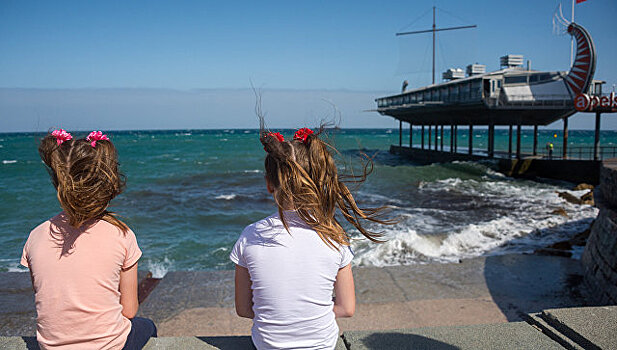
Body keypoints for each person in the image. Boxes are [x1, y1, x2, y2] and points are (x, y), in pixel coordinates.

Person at [230, 123, 391, 349]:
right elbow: (347, 309)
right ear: (318, 181)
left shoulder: (250, 235)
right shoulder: (334, 236)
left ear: (269, 184)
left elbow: (244, 309)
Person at [21, 129, 156, 350]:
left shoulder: (35, 236)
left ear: (58, 182)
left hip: (52, 346)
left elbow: (46, 297)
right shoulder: (122, 235)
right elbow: (129, 310)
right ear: (108, 184)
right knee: (147, 326)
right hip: (110, 345)